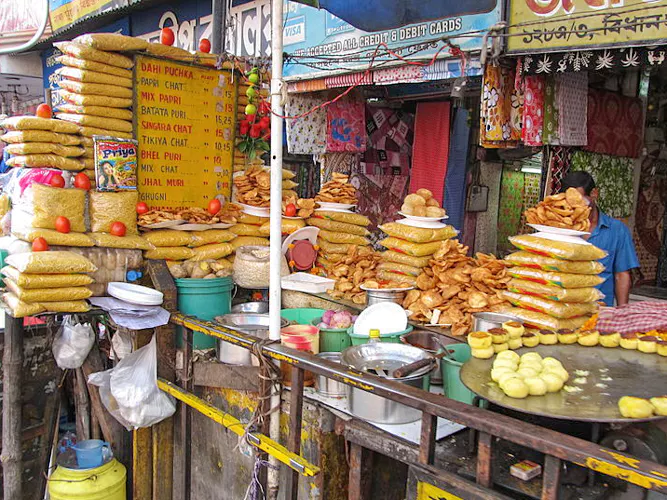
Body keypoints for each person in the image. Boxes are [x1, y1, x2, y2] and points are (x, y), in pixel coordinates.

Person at [561, 171, 639, 306]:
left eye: (580, 200)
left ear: (594, 194)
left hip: (599, 314)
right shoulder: (559, 229)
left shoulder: (617, 230)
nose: (575, 206)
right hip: (562, 311)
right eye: (570, 202)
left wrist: (622, 313)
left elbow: (621, 276)